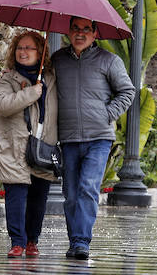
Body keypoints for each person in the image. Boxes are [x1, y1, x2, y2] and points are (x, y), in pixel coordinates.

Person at [52, 16, 135, 259]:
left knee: (88, 188)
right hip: (67, 138)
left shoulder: (109, 61)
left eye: (86, 29)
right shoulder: (57, 60)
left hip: (99, 137)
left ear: (95, 33)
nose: (80, 33)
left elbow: (127, 91)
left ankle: (81, 242)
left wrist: (107, 114)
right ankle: (74, 239)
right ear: (68, 31)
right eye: (75, 28)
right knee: (70, 194)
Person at [0, 31, 59, 258]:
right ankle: (17, 242)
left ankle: (32, 241)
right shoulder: (8, 78)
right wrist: (30, 93)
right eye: (19, 47)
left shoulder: (52, 78)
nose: (23, 52)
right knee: (16, 194)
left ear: (40, 52)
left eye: (29, 48)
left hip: (43, 144)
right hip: (14, 145)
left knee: (39, 195)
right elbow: (2, 104)